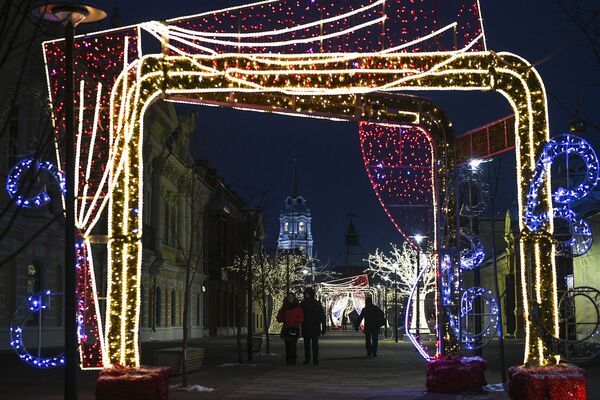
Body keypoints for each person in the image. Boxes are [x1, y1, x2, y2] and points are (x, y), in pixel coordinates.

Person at [300, 287, 326, 365]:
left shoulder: (303, 304)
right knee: (314, 343)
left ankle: (308, 359)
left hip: (307, 326)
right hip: (314, 326)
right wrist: (323, 327)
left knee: (307, 343)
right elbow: (322, 316)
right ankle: (315, 359)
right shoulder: (317, 303)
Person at [277, 292, 304, 365]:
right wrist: (283, 319)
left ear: (294, 298)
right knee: (287, 345)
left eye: (291, 297)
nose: (290, 298)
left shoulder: (297, 307)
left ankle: (293, 359)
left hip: (294, 328)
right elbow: (279, 316)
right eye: (289, 297)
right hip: (286, 328)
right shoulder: (284, 307)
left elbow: (301, 318)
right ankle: (288, 359)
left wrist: (296, 320)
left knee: (293, 345)